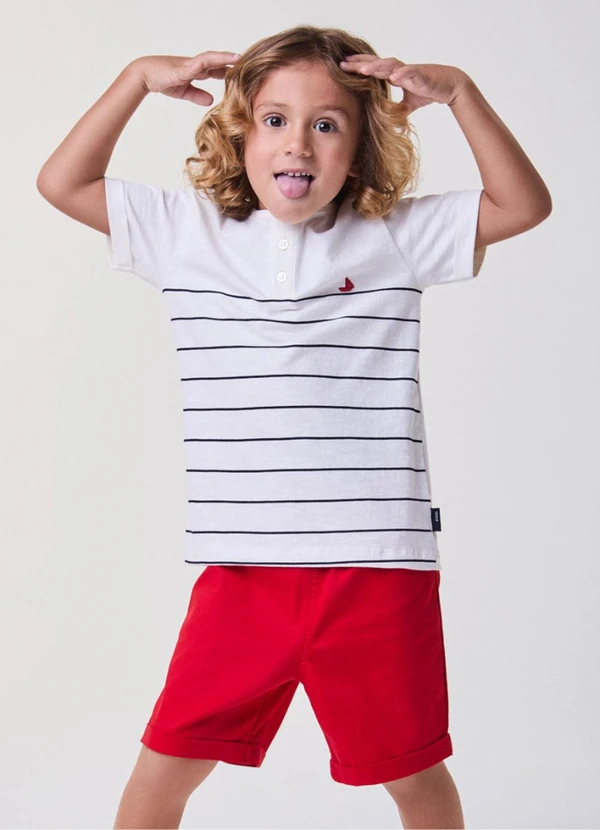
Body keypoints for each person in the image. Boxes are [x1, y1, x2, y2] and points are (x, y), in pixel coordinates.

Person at [37, 24, 552, 830]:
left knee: (415, 776)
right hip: (244, 575)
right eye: (275, 119)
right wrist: (137, 77)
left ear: (361, 144)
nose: (298, 144)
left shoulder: (395, 235)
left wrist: (460, 95)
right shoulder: (187, 234)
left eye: (326, 124)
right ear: (240, 132)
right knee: (163, 769)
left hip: (377, 572)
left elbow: (523, 205)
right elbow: (62, 182)